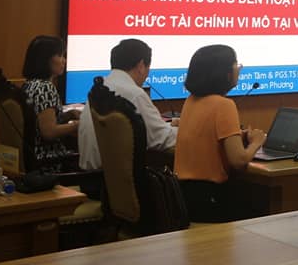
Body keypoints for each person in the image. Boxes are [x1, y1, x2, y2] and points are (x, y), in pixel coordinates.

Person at [174, 44, 266, 222]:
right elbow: (238, 161)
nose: (239, 69)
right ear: (225, 73)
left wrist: (238, 136)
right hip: (211, 199)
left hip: (185, 196)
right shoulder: (224, 105)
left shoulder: (191, 100)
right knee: (265, 212)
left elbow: (207, 136)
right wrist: (257, 141)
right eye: (236, 64)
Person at [77, 39, 178, 170]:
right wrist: (186, 129)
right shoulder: (134, 94)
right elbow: (161, 139)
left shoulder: (101, 87)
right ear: (141, 66)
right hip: (117, 179)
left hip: (91, 176)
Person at [21, 35, 80, 171]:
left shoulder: (29, 85)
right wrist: (78, 125)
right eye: (60, 55)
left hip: (33, 159)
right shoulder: (45, 88)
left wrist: (68, 115)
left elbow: (38, 122)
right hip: (50, 163)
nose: (64, 60)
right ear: (45, 59)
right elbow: (49, 132)